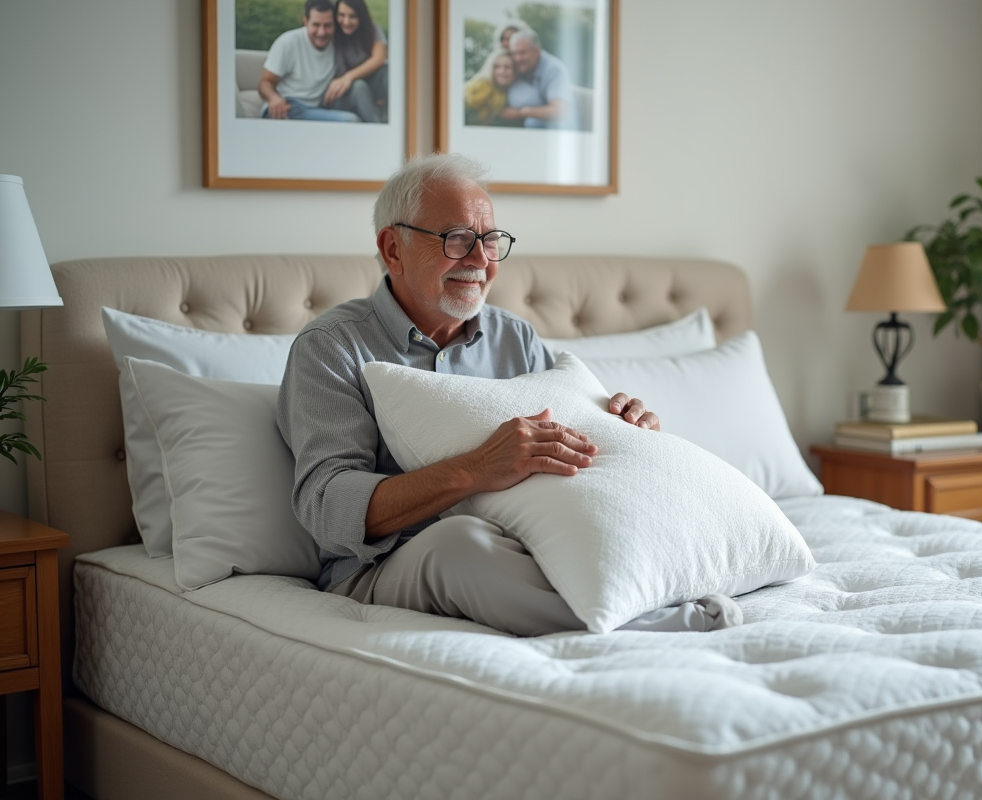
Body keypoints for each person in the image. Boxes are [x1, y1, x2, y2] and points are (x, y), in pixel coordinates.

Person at [277, 153, 742, 637]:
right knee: (459, 543)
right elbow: (328, 508)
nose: (480, 261)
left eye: (490, 241)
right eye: (457, 240)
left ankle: (652, 589)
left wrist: (623, 431)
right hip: (383, 566)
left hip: (525, 536)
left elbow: (566, 448)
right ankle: (647, 626)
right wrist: (477, 469)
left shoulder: (514, 338)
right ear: (393, 248)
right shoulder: (332, 347)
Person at [259, 0, 360, 122]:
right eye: (316, 25)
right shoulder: (288, 43)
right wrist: (273, 98)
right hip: (287, 107)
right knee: (350, 121)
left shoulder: (338, 45)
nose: (321, 32)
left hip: (318, 109)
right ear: (305, 21)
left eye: (327, 25)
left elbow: (372, 52)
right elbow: (265, 83)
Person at [326, 0, 388, 124]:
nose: (346, 22)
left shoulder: (372, 29)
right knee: (359, 87)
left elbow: (379, 58)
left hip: (363, 82)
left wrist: (349, 76)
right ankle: (377, 127)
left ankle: (397, 117)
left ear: (361, 17)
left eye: (352, 16)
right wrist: (347, 79)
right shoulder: (332, 33)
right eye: (341, 15)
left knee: (387, 73)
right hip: (342, 94)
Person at [502, 30, 579, 129]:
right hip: (524, 130)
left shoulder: (554, 69)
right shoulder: (516, 67)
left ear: (536, 52)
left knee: (532, 122)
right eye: (514, 54)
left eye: (522, 53)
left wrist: (520, 113)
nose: (517, 59)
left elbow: (560, 111)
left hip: (558, 132)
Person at [463, 50, 517, 126]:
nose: (502, 71)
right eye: (497, 67)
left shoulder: (505, 93)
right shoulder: (483, 84)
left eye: (507, 67)